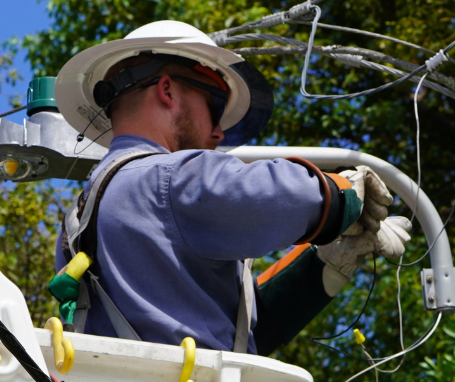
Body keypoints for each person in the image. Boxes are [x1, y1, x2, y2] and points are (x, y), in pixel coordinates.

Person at [48, 20, 412, 354]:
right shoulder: (169, 179)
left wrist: (327, 266)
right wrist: (345, 192)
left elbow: (245, 334)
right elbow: (296, 197)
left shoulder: (78, 221)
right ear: (167, 91)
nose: (219, 132)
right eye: (214, 104)